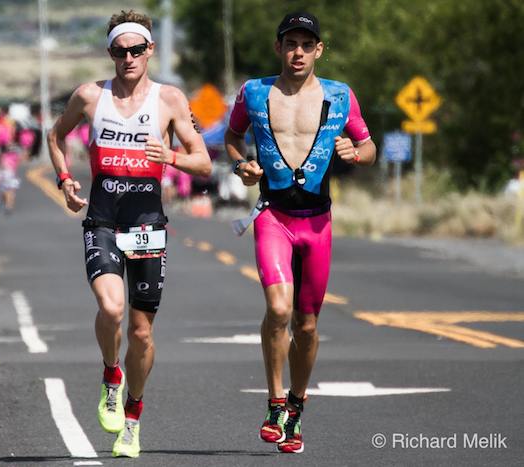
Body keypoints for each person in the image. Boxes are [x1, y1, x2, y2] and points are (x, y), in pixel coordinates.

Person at [47, 10, 211, 458]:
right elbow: (55, 136)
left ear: (150, 51)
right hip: (102, 218)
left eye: (137, 49)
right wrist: (65, 180)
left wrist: (171, 157)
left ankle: (133, 418)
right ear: (111, 54)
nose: (129, 57)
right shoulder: (88, 96)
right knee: (111, 306)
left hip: (147, 225)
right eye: (120, 51)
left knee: (141, 332)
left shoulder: (170, 100)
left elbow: (204, 163)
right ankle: (110, 375)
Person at [225, 11, 376, 454]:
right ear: (279, 48)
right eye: (290, 44)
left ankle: (295, 405)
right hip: (273, 216)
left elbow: (369, 146)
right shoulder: (254, 92)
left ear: (318, 51)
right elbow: (232, 137)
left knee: (307, 325)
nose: (298, 52)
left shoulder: (340, 96)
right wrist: (241, 165)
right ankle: (273, 401)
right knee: (278, 308)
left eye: (306, 45)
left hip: (317, 221)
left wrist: (356, 151)